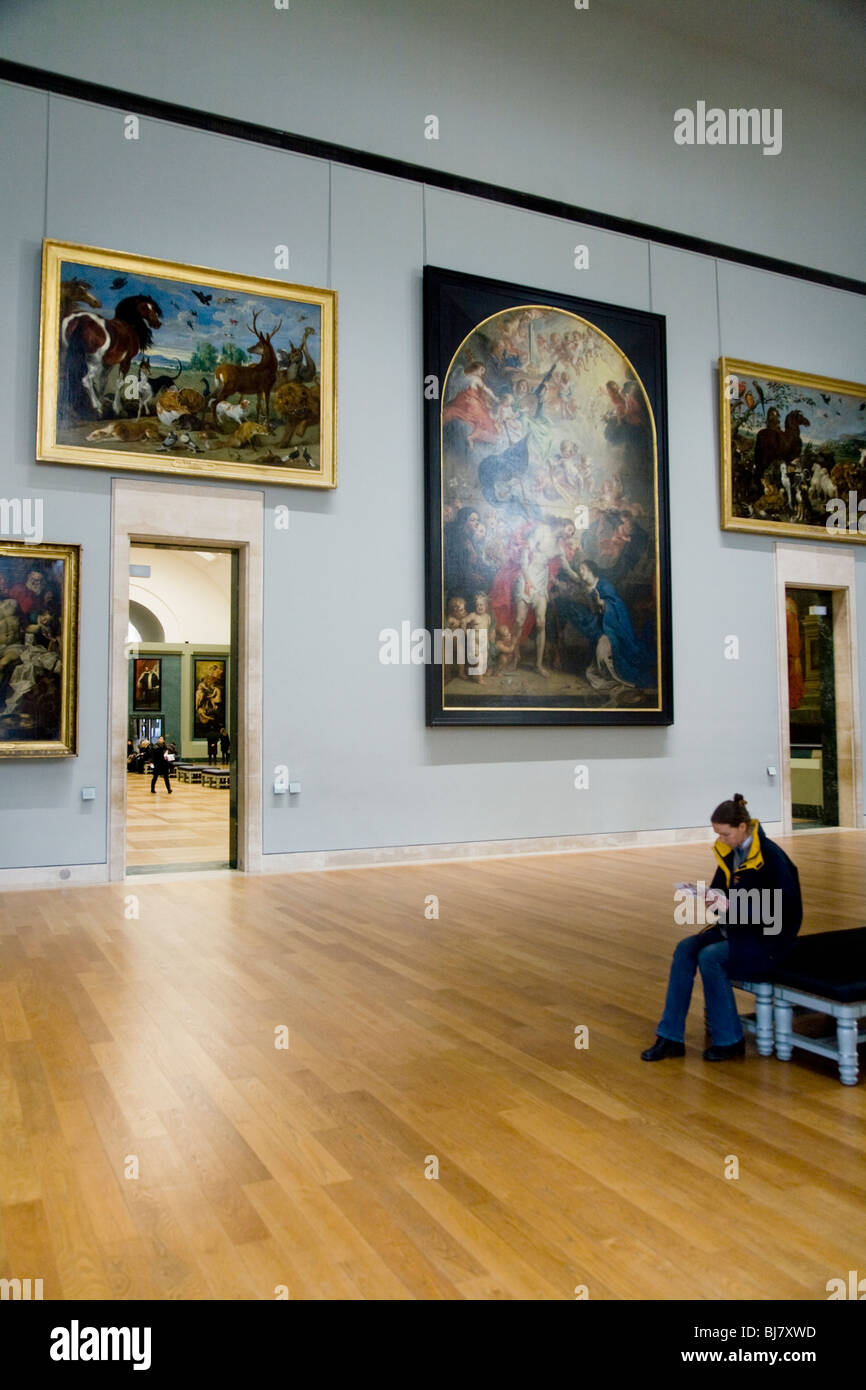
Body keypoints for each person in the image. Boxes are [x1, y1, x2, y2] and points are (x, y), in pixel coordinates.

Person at [641, 793, 802, 1062]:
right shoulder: (731, 853)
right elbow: (721, 891)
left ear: (742, 828)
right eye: (718, 834)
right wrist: (712, 899)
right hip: (737, 929)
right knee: (685, 948)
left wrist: (736, 908)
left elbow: (781, 912)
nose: (721, 840)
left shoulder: (772, 857)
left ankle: (730, 1040)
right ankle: (670, 1037)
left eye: (725, 834)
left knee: (710, 956)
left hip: (767, 940)